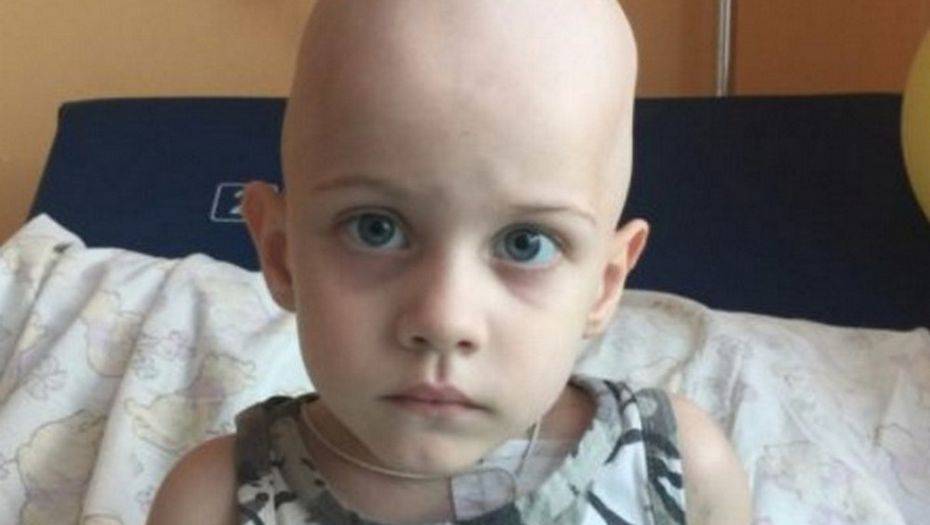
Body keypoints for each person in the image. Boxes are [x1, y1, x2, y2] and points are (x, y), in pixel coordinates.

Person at [147, 1, 751, 523]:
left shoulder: (677, 473)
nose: (444, 319)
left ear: (604, 283)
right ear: (282, 256)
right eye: (376, 229)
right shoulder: (214, 504)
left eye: (526, 243)